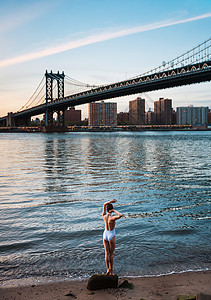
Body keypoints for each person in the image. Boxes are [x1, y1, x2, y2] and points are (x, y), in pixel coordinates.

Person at [102, 199, 123, 275]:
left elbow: (104, 204)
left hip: (105, 234)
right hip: (111, 235)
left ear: (107, 209)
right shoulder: (112, 218)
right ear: (111, 209)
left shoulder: (104, 216)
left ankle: (108, 269)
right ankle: (111, 272)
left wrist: (110, 201)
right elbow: (120, 215)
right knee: (111, 254)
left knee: (106, 253)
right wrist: (114, 211)